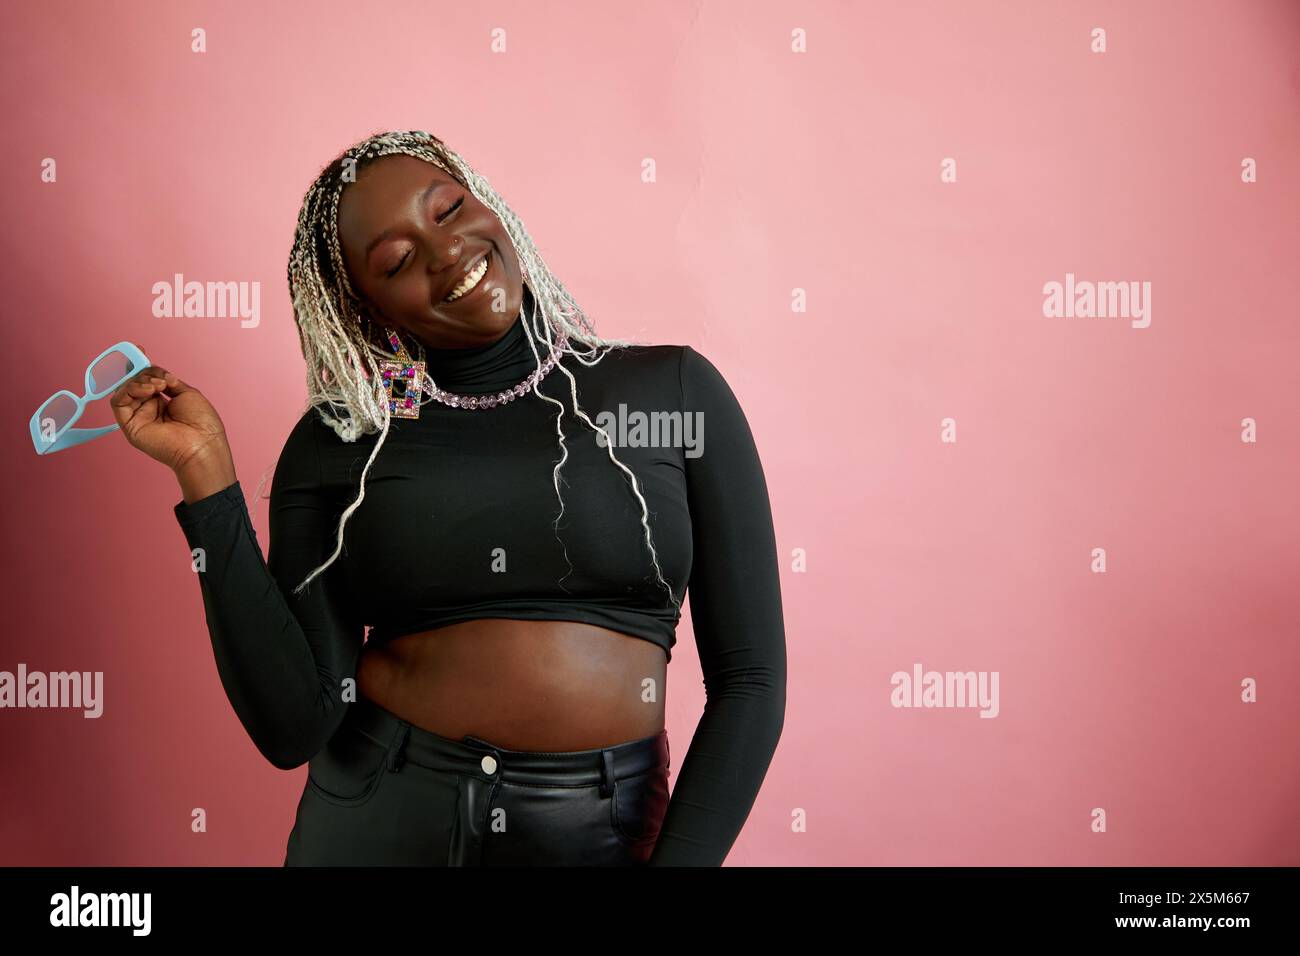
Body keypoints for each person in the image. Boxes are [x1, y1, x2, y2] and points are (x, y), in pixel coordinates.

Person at [111, 129, 786, 866]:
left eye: (449, 209)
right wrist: (207, 480)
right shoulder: (340, 441)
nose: (447, 253)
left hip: (602, 832)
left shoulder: (671, 395)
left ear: (488, 205)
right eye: (397, 261)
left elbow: (749, 682)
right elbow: (293, 725)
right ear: (370, 311)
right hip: (381, 820)